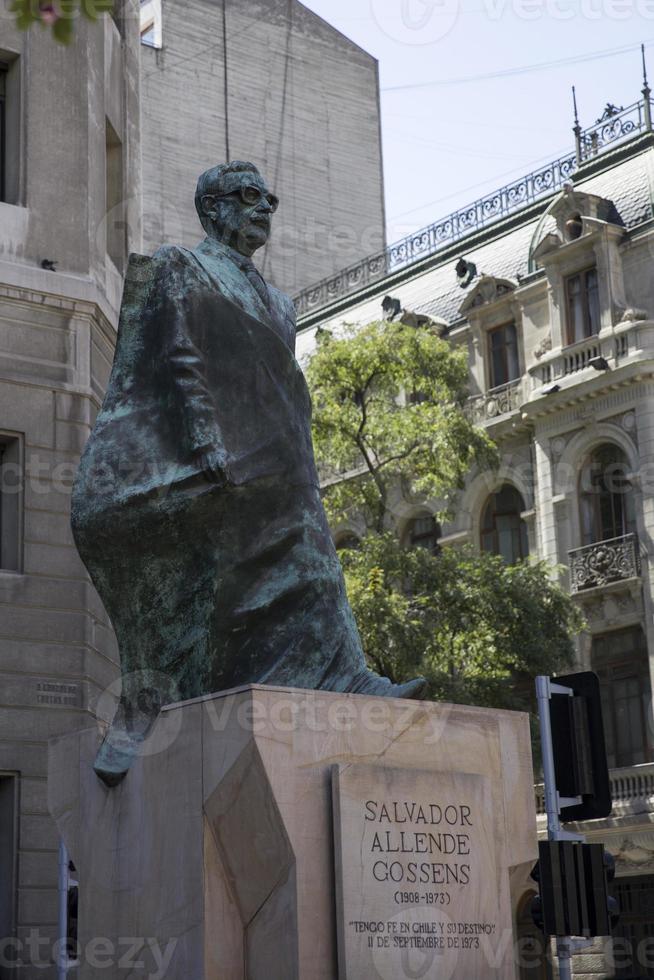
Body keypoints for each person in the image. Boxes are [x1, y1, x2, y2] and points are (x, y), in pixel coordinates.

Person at [72, 162, 425, 785]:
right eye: (247, 196)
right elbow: (177, 355)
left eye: (270, 199)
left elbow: (279, 391)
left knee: (314, 558)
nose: (264, 208)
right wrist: (207, 439)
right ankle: (148, 705)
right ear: (213, 209)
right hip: (202, 457)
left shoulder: (281, 305)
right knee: (194, 598)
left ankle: (344, 672)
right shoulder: (184, 265)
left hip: (275, 463)